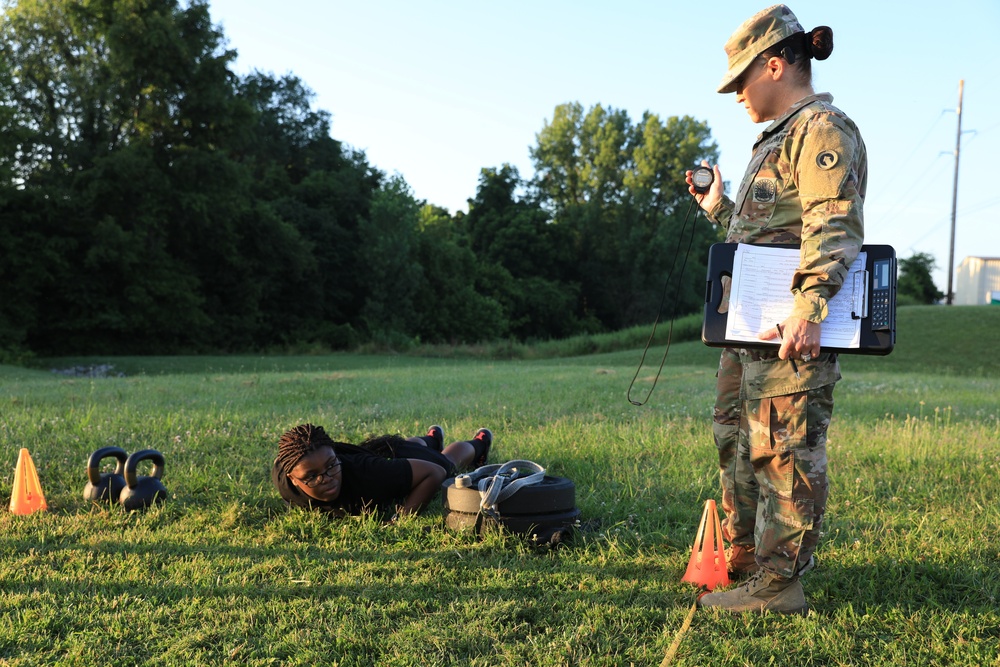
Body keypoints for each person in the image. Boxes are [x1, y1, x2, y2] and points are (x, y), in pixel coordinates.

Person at [686, 4, 866, 615]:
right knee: (737, 441)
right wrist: (719, 206)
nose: (736, 93)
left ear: (774, 64)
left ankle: (779, 584)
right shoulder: (776, 140)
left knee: (783, 450)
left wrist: (811, 306)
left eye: (741, 80)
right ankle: (743, 561)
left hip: (790, 331)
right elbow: (764, 233)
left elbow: (833, 223)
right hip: (751, 331)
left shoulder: (822, 129)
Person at [271, 423, 493, 518]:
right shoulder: (285, 483)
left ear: (336, 456)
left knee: (446, 462)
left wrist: (402, 516)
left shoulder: (367, 473)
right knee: (406, 451)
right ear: (292, 478)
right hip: (383, 457)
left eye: (331, 466)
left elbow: (433, 472)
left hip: (386, 463)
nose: (327, 478)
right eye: (311, 476)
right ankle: (430, 439)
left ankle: (479, 443)